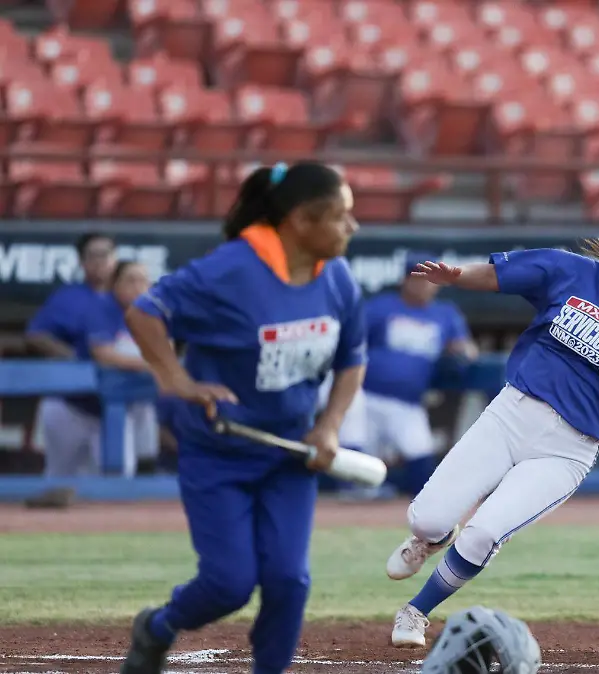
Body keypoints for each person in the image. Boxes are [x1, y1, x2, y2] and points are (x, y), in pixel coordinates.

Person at [385, 197, 599, 649]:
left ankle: (416, 611)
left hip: (567, 449)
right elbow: (498, 275)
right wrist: (457, 276)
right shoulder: (568, 270)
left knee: (484, 534)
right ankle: (429, 538)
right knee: (427, 517)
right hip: (512, 414)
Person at [117, 161, 365, 674]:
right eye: (342, 216)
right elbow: (145, 312)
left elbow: (352, 360)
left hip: (291, 454)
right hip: (219, 451)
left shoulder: (338, 277)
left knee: (288, 581)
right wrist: (174, 378)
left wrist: (330, 425)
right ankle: (157, 628)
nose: (353, 227)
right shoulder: (229, 270)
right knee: (228, 584)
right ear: (301, 220)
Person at [359, 254, 478, 497]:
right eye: (420, 279)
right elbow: (352, 343)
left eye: (431, 280)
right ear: (406, 280)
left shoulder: (444, 314)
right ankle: (347, 512)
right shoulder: (381, 307)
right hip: (366, 397)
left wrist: (462, 350)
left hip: (408, 403)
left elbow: (468, 349)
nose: (426, 286)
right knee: (359, 466)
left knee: (422, 464)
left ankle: (401, 517)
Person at [25, 231, 117, 478]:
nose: (100, 261)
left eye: (105, 254)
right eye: (92, 256)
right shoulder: (68, 297)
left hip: (116, 405)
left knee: (116, 482)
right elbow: (36, 335)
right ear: (81, 261)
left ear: (115, 258)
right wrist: (74, 356)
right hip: (69, 404)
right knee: (59, 479)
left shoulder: (127, 297)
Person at [84, 260, 158, 477]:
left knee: (138, 467)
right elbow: (103, 354)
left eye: (143, 280)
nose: (138, 286)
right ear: (114, 284)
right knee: (63, 473)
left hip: (136, 401)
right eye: (131, 280)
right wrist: (149, 364)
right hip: (82, 409)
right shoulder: (101, 307)